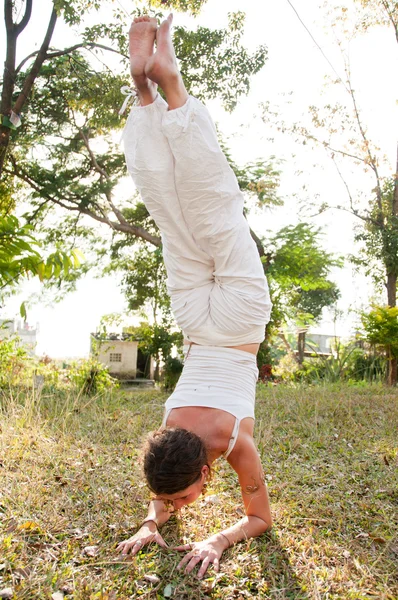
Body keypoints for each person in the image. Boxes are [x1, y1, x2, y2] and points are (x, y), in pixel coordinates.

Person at [116, 14, 273, 579]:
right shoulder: (169, 430)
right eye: (181, 503)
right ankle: (147, 94)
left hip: (236, 322)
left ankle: (168, 87)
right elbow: (168, 483)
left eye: (183, 499)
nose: (181, 506)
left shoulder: (231, 442)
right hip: (197, 320)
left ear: (203, 470)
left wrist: (216, 537)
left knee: (214, 210)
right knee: (177, 215)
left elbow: (259, 517)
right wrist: (152, 520)